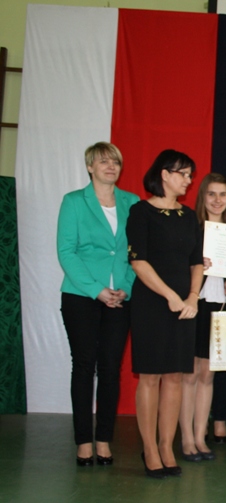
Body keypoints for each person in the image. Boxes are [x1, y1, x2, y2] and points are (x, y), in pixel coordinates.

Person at [57, 142, 139, 467]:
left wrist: (125, 289)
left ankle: (103, 439)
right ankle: (83, 441)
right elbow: (66, 252)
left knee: (110, 369)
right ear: (90, 167)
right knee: (83, 365)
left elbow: (136, 253)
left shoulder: (132, 202)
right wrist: (96, 290)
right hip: (81, 296)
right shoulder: (74, 201)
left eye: (115, 161)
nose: (110, 166)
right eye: (102, 161)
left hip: (120, 298)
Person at [126, 149, 203, 478]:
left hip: (184, 305)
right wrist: (170, 295)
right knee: (150, 376)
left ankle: (167, 446)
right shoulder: (141, 212)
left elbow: (196, 262)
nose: (188, 180)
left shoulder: (189, 216)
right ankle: (149, 449)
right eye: (183, 173)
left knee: (175, 376)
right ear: (164, 174)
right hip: (152, 303)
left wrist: (192, 297)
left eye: (190, 174)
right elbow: (138, 260)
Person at [178, 173, 226, 461]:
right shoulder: (190, 226)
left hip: (218, 306)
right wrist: (195, 264)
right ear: (202, 196)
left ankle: (201, 437)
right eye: (211, 194)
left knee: (208, 374)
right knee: (189, 374)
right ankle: (186, 438)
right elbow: (175, 263)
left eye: (222, 194)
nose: (217, 200)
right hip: (194, 304)